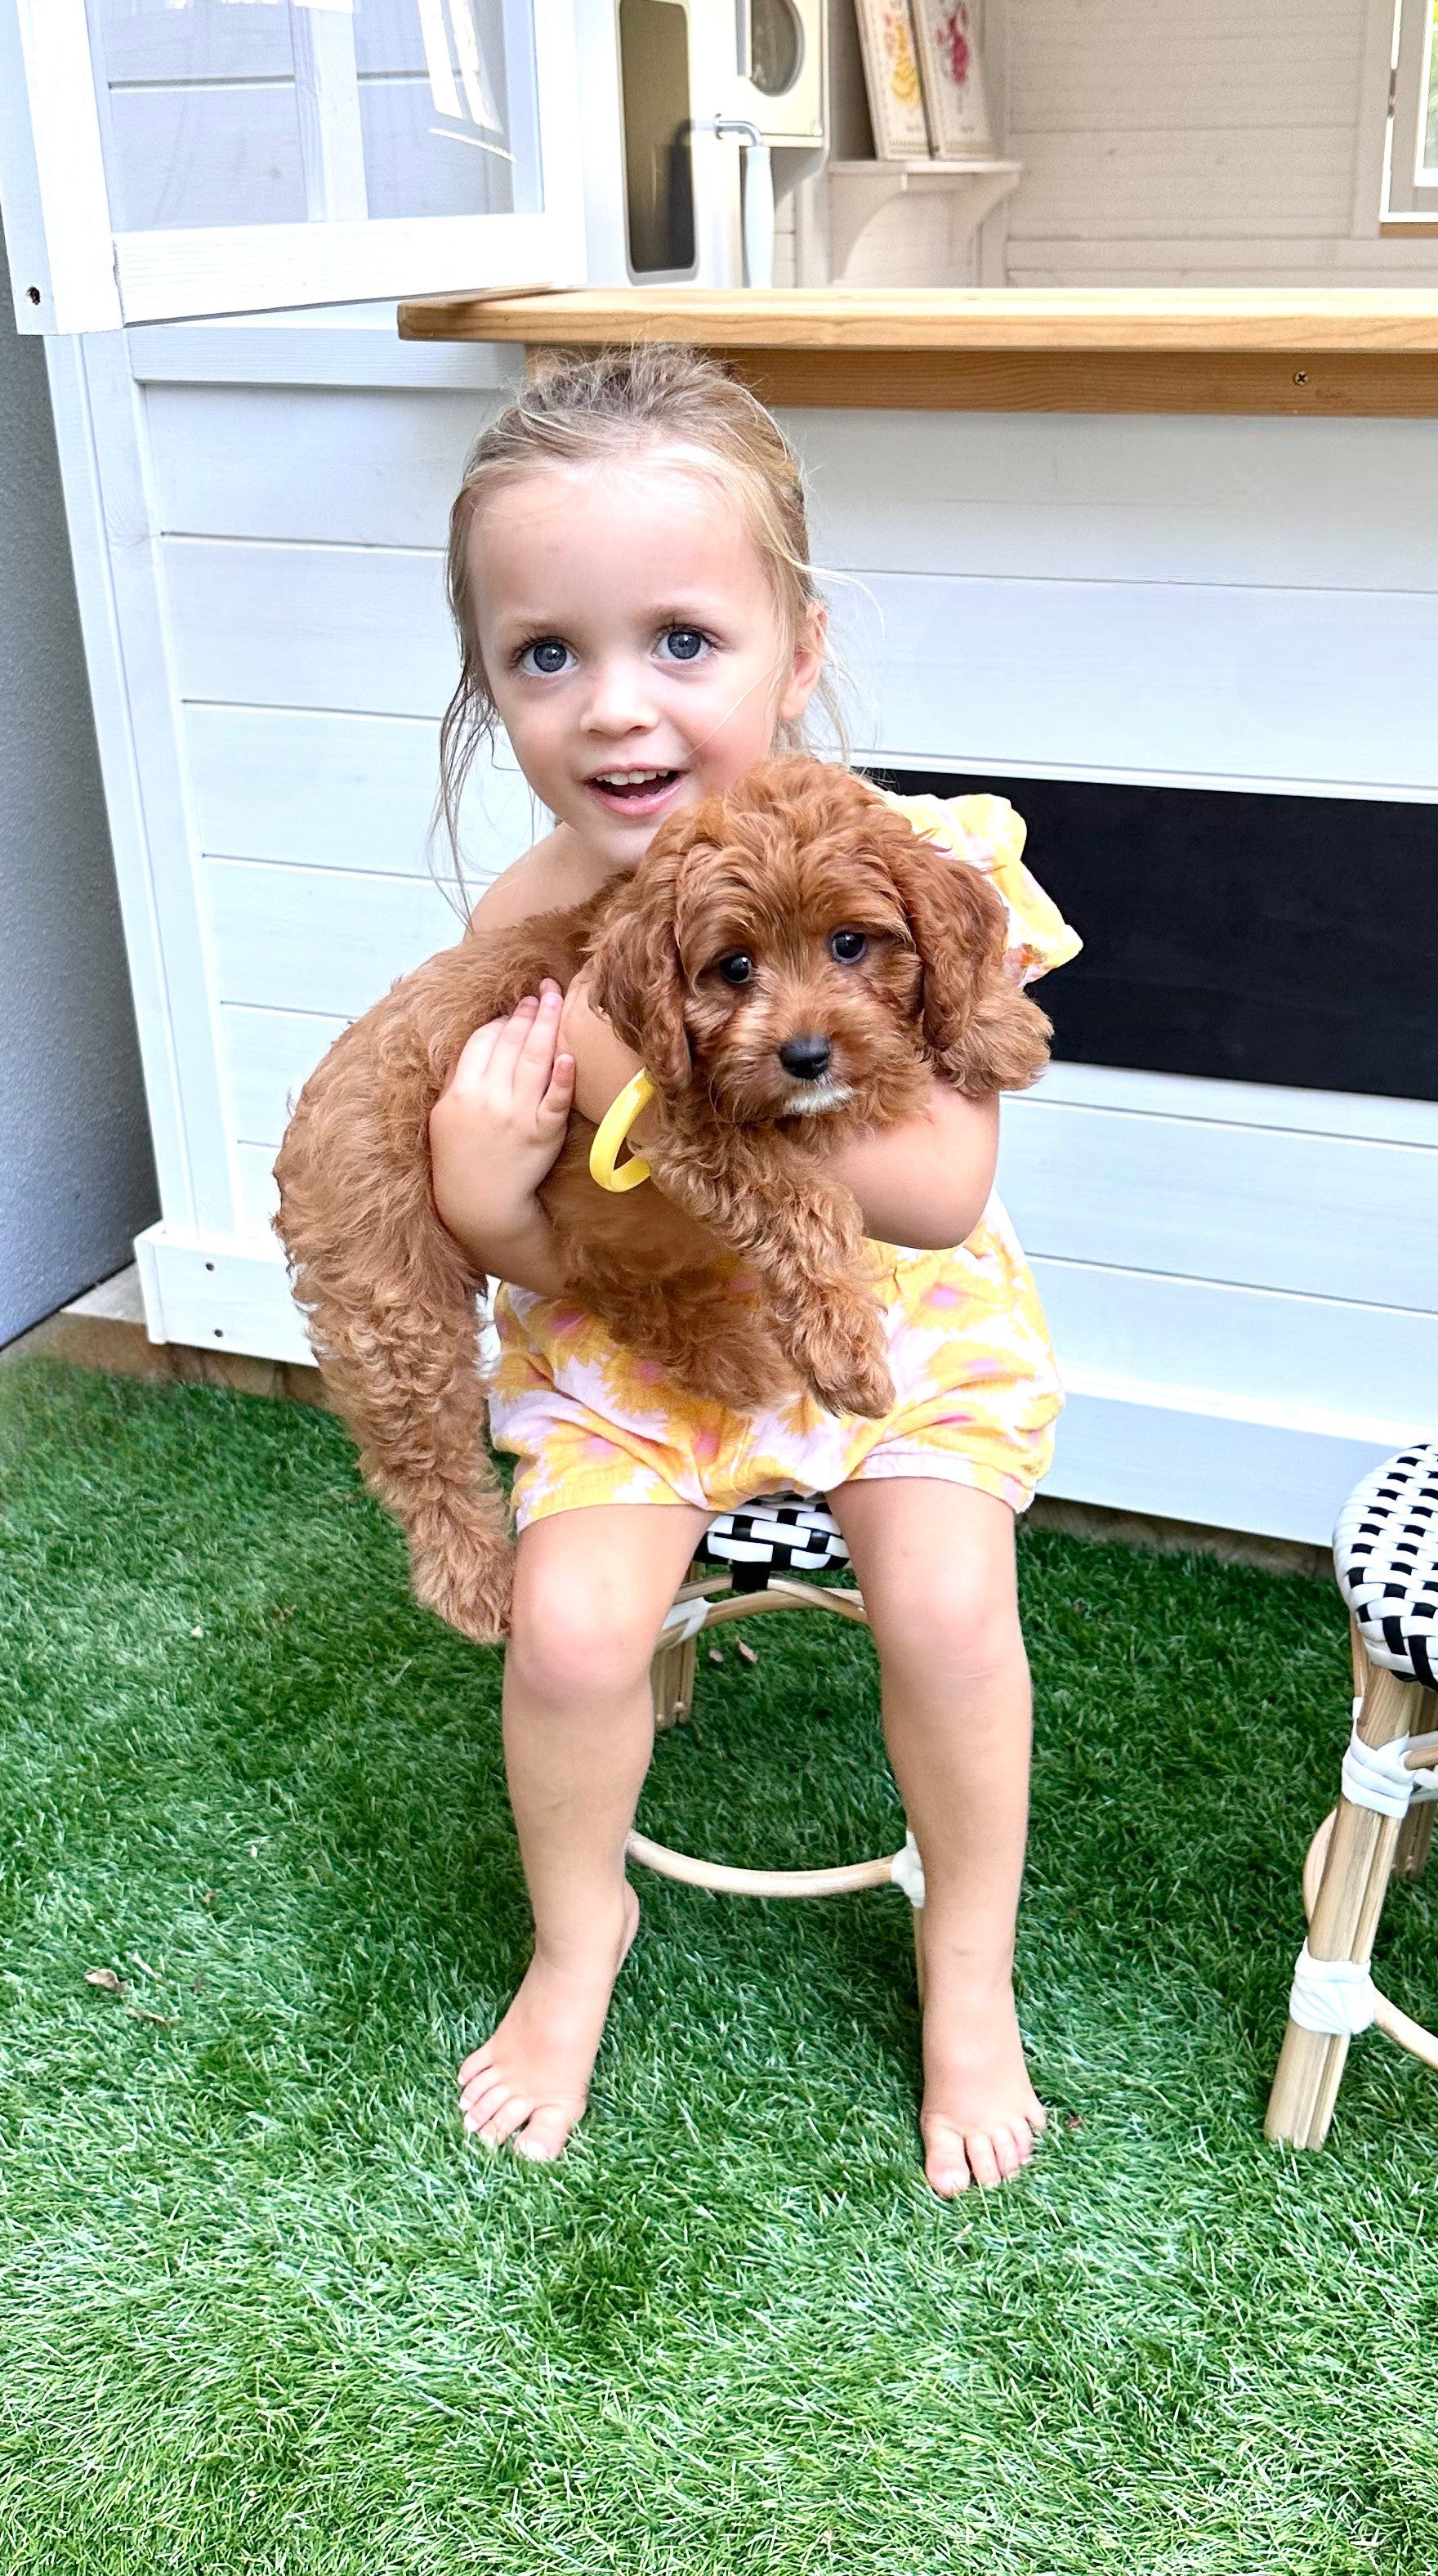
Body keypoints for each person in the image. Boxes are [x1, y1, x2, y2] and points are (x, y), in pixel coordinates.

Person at [421, 346, 1078, 2194]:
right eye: (548, 653)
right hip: (645, 1341)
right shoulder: (520, 925)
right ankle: (577, 1943)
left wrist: (649, 1065)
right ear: (491, 681)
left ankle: (968, 1970)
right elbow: (541, 1237)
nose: (616, 708)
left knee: (946, 1610)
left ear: (799, 645)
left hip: (894, 1331)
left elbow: (941, 1194)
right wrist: (479, 1191)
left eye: (682, 641)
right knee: (566, 1629)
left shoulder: (924, 866)